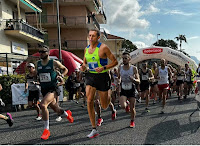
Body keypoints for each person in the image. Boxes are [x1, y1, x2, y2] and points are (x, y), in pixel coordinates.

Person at [80, 29, 118, 138]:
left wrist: (104, 68)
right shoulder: (86, 49)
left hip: (103, 76)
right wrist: (83, 67)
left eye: (93, 36)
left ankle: (110, 99)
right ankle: (94, 129)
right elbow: (84, 62)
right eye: (89, 36)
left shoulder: (103, 48)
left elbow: (115, 62)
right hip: (90, 76)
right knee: (89, 100)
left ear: (98, 37)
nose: (90, 38)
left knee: (104, 105)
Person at [36, 45, 74, 140]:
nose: (41, 53)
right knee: (56, 109)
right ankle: (66, 114)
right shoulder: (38, 64)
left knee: (43, 105)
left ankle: (46, 130)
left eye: (43, 51)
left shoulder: (53, 62)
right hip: (44, 89)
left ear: (48, 52)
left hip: (53, 88)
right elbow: (39, 75)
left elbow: (66, 69)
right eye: (39, 52)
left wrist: (61, 75)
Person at [118, 52, 140, 127]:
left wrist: (133, 79)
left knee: (132, 108)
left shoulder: (134, 68)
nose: (124, 60)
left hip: (132, 89)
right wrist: (118, 81)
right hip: (123, 89)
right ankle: (126, 105)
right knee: (123, 106)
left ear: (129, 59)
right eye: (123, 58)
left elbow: (138, 80)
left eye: (125, 58)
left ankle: (132, 121)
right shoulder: (120, 67)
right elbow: (119, 77)